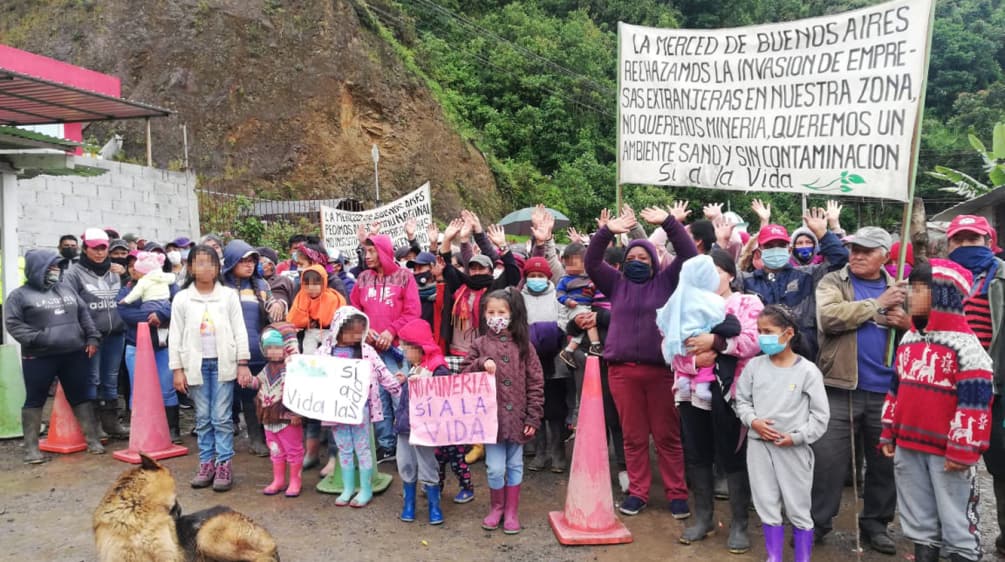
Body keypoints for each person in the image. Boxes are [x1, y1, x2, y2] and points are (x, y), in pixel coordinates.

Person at [585, 204, 698, 518]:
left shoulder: (666, 283)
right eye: (631, 259)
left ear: (655, 262)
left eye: (643, 258)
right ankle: (637, 493)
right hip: (622, 373)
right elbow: (591, 261)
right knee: (633, 438)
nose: (636, 262)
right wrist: (608, 230)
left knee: (667, 437)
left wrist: (670, 222)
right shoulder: (616, 284)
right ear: (623, 264)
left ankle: (677, 495)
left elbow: (690, 257)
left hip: (660, 374)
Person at [880, 260, 993, 562]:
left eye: (918, 290)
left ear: (944, 295)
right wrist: (889, 430)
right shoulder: (910, 340)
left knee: (956, 517)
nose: (910, 297)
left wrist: (963, 448)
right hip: (909, 446)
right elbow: (895, 390)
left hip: (947, 454)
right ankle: (924, 553)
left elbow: (974, 406)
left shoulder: (966, 348)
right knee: (917, 516)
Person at [811, 226, 910, 553]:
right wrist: (876, 306)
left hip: (888, 393)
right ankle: (818, 522)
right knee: (828, 462)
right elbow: (829, 317)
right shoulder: (832, 282)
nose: (856, 255)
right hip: (840, 386)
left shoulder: (904, 289)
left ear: (885, 254)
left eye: (866, 250)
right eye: (854, 248)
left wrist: (905, 323)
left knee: (883, 463)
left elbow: (928, 328)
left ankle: (877, 524)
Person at [671, 249, 763, 553]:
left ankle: (738, 523)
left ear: (731, 274)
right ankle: (704, 518)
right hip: (690, 393)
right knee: (697, 455)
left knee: (733, 456)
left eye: (717, 270)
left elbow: (754, 341)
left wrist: (717, 343)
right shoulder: (685, 306)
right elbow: (674, 350)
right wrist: (696, 361)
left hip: (732, 393)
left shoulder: (747, 303)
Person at [734, 304, 829, 562]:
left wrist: (796, 437)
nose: (762, 336)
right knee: (766, 502)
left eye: (768, 331)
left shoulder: (808, 371)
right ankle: (773, 556)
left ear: (788, 334)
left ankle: (802, 557)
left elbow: (820, 417)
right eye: (759, 330)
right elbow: (740, 401)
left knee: (798, 506)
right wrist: (753, 422)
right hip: (758, 446)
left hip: (793, 449)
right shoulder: (754, 367)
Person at [5, 249, 105, 462]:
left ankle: (92, 441)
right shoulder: (19, 295)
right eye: (51, 267)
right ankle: (31, 449)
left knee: (80, 396)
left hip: (73, 353)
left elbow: (83, 313)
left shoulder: (66, 288)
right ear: (36, 269)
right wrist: (40, 339)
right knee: (35, 399)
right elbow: (13, 324)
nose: (56, 270)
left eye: (57, 266)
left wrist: (92, 337)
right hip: (39, 357)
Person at [461, 288, 544, 535]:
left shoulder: (524, 346)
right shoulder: (479, 344)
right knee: (495, 468)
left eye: (501, 312)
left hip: (517, 418)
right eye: (491, 312)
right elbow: (463, 374)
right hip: (490, 421)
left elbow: (536, 382)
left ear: (512, 314)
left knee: (515, 465)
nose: (496, 317)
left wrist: (533, 415)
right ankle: (497, 506)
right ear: (484, 315)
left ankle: (511, 511)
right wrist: (479, 363)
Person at [945, 215, 1005, 555]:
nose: (967, 246)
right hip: (952, 387)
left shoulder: (1003, 275)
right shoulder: (942, 280)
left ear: (989, 241)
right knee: (951, 459)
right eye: (960, 240)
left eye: (975, 240)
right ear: (949, 244)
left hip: (997, 385)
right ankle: (954, 536)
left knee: (1002, 462)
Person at [169, 245, 252, 492]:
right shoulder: (182, 298)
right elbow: (176, 335)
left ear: (218, 268)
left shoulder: (228, 296)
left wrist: (243, 363)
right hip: (195, 365)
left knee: (222, 417)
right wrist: (177, 369)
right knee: (203, 418)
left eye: (211, 263)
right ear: (191, 267)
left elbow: (240, 330)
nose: (206, 267)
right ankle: (207, 463)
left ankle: (224, 463)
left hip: (223, 363)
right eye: (200, 263)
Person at [741, 200, 848, 360]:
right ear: (759, 252)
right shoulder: (746, 281)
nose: (775, 249)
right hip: (759, 362)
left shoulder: (808, 275)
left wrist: (823, 233)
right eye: (770, 246)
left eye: (780, 245)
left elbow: (840, 260)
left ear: (789, 250)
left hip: (802, 358)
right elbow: (719, 274)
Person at [317, 306, 402, 507]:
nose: (356, 336)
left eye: (359, 332)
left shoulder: (367, 351)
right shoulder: (324, 351)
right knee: (344, 448)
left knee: (363, 449)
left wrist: (398, 389)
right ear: (338, 329)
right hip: (336, 409)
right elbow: (313, 373)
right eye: (351, 332)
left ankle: (365, 489)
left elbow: (382, 372)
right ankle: (348, 488)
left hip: (360, 409)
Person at [350, 233, 421, 464]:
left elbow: (413, 312)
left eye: (372, 251)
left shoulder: (405, 277)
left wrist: (391, 331)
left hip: (397, 349)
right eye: (365, 252)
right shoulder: (362, 279)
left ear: (383, 251)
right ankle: (386, 446)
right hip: (369, 350)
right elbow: (354, 310)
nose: (367, 256)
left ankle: (408, 444)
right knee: (376, 398)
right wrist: (363, 329)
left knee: (399, 396)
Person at [62, 228, 129, 440]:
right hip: (90, 335)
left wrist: (125, 274)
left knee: (110, 379)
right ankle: (93, 428)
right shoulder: (74, 273)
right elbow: (71, 306)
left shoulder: (117, 270)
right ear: (85, 249)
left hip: (116, 333)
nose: (100, 252)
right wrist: (88, 333)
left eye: (103, 248)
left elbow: (129, 295)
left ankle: (111, 424)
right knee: (92, 379)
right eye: (94, 248)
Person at [116, 251, 181, 442]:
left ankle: (172, 430)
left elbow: (178, 303)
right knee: (139, 390)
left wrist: (161, 314)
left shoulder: (169, 284)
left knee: (167, 388)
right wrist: (153, 317)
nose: (135, 269)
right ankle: (142, 431)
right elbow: (124, 312)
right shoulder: (127, 289)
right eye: (131, 265)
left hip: (163, 346)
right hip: (136, 346)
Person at [221, 240, 276, 458]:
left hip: (258, 353)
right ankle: (223, 446)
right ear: (231, 261)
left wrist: (279, 306)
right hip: (228, 354)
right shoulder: (220, 287)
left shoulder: (262, 286)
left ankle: (259, 438)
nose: (249, 264)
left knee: (258, 397)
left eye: (252, 260)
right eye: (243, 260)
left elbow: (272, 310)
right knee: (227, 401)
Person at [395, 318, 452, 524]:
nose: (403, 351)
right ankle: (408, 503)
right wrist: (406, 381)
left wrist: (425, 384)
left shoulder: (437, 368)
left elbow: (445, 395)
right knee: (405, 462)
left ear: (419, 347)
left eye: (406, 347)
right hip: (405, 425)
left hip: (425, 428)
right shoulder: (416, 366)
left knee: (428, 463)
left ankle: (434, 506)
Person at [658, 255, 727, 405]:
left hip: (679, 340)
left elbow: (663, 320)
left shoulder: (677, 297)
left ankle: (683, 380)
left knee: (685, 357)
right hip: (701, 337)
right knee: (707, 361)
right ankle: (702, 386)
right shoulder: (712, 299)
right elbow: (720, 319)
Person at [245, 323, 304, 497]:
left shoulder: (293, 369)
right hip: (269, 418)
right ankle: (278, 480)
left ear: (287, 346)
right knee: (275, 450)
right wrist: (248, 381)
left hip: (287, 418)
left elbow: (299, 393)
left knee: (293, 450)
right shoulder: (267, 368)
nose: (272, 351)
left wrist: (296, 413)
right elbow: (259, 383)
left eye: (277, 347)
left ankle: (295, 480)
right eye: (268, 348)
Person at [520, 256, 566, 473]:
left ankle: (558, 454)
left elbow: (565, 320)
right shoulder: (519, 298)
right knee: (534, 406)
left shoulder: (558, 295)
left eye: (540, 276)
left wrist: (551, 332)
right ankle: (540, 453)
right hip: (528, 360)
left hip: (554, 359)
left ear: (548, 277)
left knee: (555, 409)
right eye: (532, 276)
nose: (536, 279)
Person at [556, 243, 602, 367]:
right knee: (589, 321)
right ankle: (596, 345)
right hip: (574, 307)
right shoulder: (565, 279)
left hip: (586, 306)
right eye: (567, 264)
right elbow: (559, 294)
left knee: (581, 331)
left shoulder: (590, 278)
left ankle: (568, 351)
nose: (570, 268)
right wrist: (567, 301)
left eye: (574, 264)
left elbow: (597, 292)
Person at [286, 264, 346, 354]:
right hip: (310, 331)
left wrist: (314, 320)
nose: (311, 288)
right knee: (308, 353)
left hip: (328, 331)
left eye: (315, 284)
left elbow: (332, 319)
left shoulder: (331, 298)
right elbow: (294, 318)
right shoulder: (302, 296)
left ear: (323, 283)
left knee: (329, 352)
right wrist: (307, 322)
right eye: (307, 285)